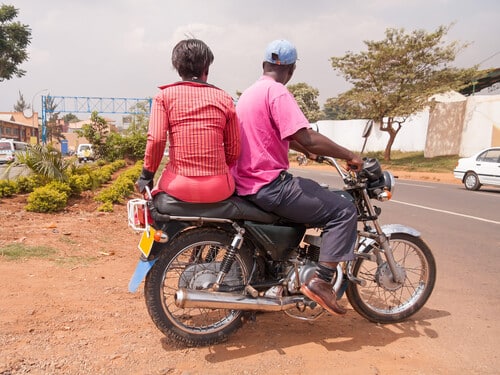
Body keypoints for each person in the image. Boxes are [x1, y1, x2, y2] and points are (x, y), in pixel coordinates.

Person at [232, 39, 364, 315]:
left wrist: (309, 152)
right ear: (291, 69)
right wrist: (347, 154)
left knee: (312, 193)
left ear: (264, 65)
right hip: (269, 184)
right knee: (342, 208)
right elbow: (306, 137)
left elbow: (285, 136)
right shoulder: (277, 93)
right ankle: (322, 281)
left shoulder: (249, 94)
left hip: (246, 182)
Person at [136, 39, 240, 203]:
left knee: (153, 208)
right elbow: (234, 150)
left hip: (178, 186)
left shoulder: (164, 97)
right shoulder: (225, 99)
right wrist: (216, 168)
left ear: (178, 69)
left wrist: (146, 176)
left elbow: (156, 140)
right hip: (219, 188)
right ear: (206, 69)